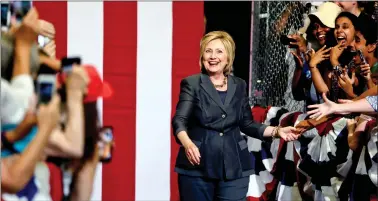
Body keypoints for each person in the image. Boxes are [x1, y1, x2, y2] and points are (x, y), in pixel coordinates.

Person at [171, 31, 299, 201]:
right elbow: (179, 121)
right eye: (208, 51)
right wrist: (187, 144)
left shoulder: (239, 85)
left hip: (235, 166)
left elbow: (247, 124)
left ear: (228, 57)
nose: (213, 56)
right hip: (198, 168)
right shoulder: (192, 83)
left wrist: (277, 131)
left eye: (219, 51)